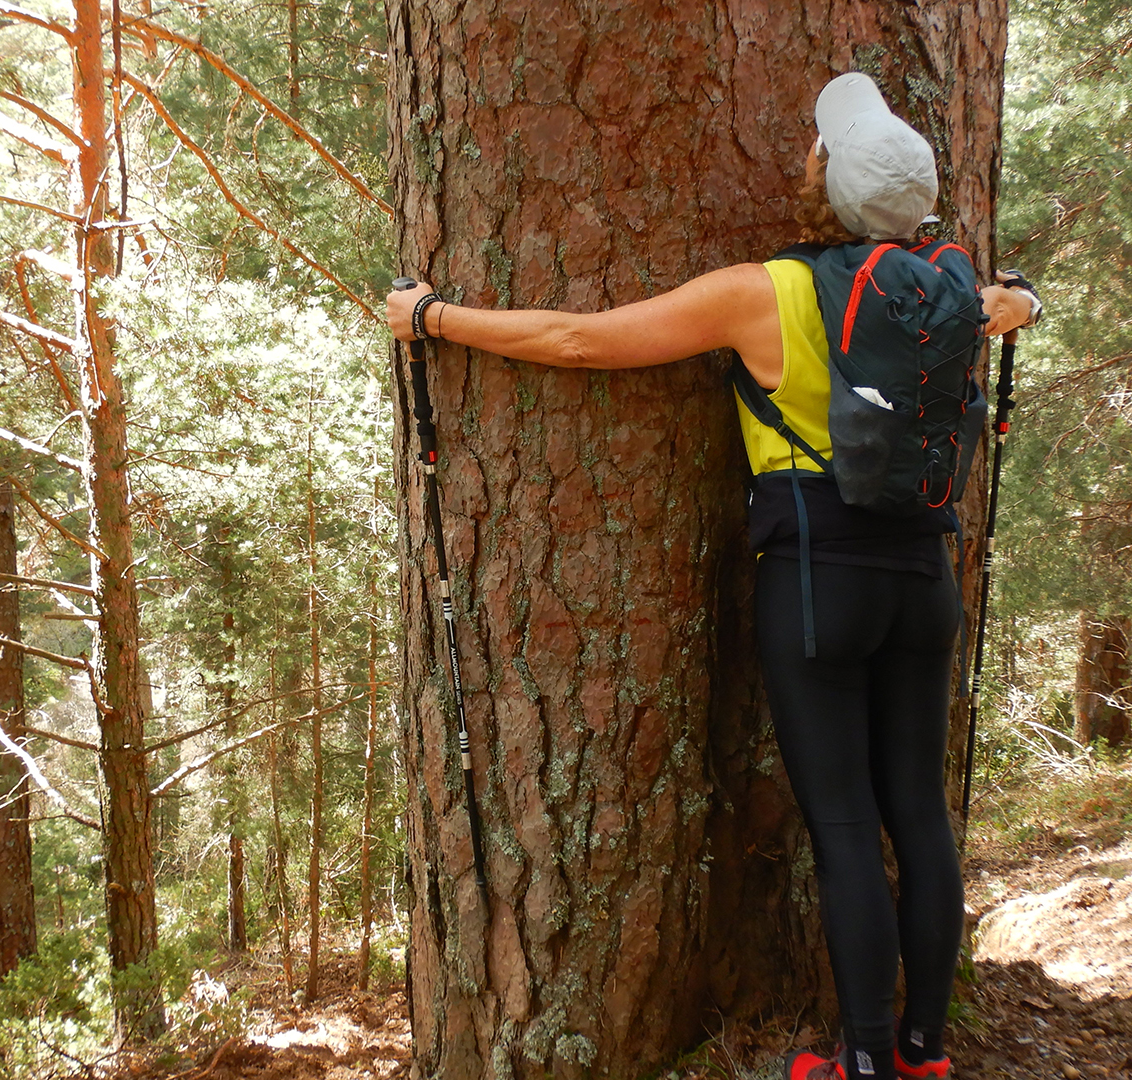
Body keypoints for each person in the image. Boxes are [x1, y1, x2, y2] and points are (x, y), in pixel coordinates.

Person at [387, 73, 1039, 1080]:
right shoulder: (958, 292)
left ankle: (862, 1062)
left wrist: (437, 320)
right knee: (916, 809)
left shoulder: (765, 293)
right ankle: (922, 1053)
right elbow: (1016, 306)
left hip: (819, 582)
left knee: (843, 827)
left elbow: (583, 341)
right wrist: (1021, 301)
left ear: (828, 182)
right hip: (924, 580)